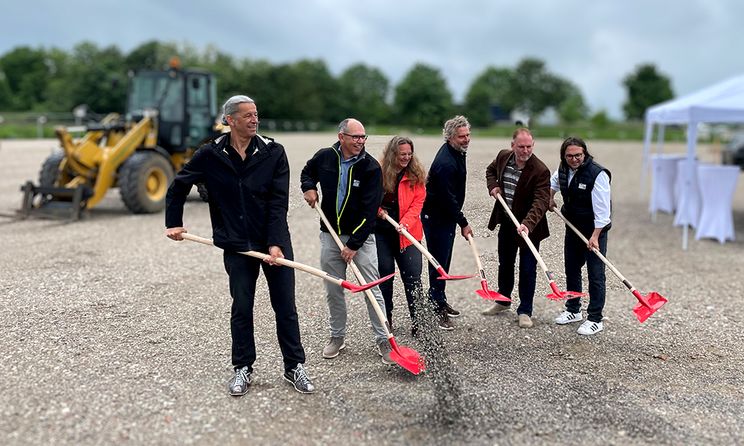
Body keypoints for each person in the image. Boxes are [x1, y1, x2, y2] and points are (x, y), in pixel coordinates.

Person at [165, 95, 314, 396]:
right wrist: (174, 222)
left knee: (285, 306)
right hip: (236, 244)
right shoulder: (210, 154)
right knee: (242, 307)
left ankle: (294, 365)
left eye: (256, 114)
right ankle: (242, 368)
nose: (254, 119)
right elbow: (179, 185)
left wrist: (274, 244)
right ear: (230, 120)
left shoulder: (273, 152)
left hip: (274, 242)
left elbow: (277, 203)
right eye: (247, 115)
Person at [300, 118, 393, 365]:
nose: (360, 142)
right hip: (329, 235)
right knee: (333, 289)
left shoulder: (371, 167)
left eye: (363, 137)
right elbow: (307, 172)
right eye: (356, 137)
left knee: (372, 289)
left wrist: (353, 245)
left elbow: (370, 210)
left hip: (361, 238)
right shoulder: (325, 156)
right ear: (342, 137)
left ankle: (384, 339)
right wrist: (308, 188)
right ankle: (337, 337)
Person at [482, 127, 550, 329]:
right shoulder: (503, 157)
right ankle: (503, 301)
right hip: (507, 222)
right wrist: (493, 186)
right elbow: (490, 171)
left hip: (530, 227)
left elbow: (541, 201)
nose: (525, 150)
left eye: (529, 146)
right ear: (512, 146)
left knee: (528, 269)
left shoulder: (540, 170)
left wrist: (527, 224)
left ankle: (525, 310)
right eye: (521, 146)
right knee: (505, 264)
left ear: (533, 145)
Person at [549, 136, 611, 335]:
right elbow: (553, 184)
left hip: (594, 231)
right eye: (570, 156)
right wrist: (550, 198)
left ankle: (595, 318)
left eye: (578, 155)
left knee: (595, 275)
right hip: (573, 227)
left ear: (584, 154)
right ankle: (573, 309)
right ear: (564, 156)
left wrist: (595, 236)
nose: (574, 159)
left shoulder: (597, 174)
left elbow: (603, 212)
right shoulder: (563, 170)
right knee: (572, 269)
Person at [421, 115, 474, 330]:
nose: (466, 139)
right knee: (438, 263)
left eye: (468, 135)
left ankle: (439, 299)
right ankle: (435, 308)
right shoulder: (445, 162)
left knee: (443, 261)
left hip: (445, 217)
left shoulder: (457, 153)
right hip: (436, 217)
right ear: (450, 137)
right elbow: (447, 199)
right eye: (462, 136)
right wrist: (463, 222)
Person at [375, 136, 426, 334]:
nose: (406, 157)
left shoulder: (415, 174)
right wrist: (377, 210)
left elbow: (418, 202)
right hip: (382, 233)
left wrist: (405, 223)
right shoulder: (378, 172)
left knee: (413, 278)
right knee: (385, 278)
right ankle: (386, 321)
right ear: (392, 154)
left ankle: (418, 322)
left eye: (409, 154)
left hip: (407, 232)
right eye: (402, 154)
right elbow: (368, 199)